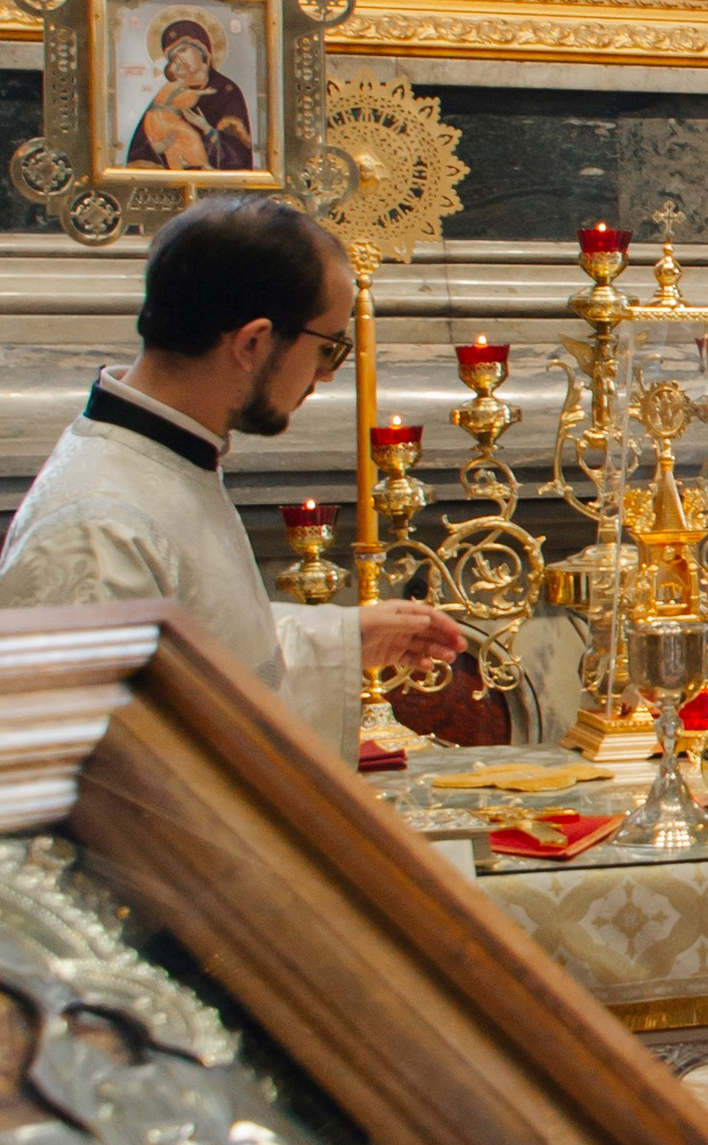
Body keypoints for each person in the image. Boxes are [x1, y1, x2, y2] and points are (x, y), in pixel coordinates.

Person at [0, 197, 463, 761]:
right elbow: (93, 776)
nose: (323, 376)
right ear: (252, 343)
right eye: (329, 349)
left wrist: (344, 640)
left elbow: (194, 654)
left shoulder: (163, 462)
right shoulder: (98, 526)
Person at [126, 16, 257, 174]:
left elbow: (238, 154)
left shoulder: (226, 91)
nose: (179, 59)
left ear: (203, 51)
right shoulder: (169, 94)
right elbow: (138, 153)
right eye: (173, 57)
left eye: (183, 50)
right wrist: (158, 147)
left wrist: (207, 129)